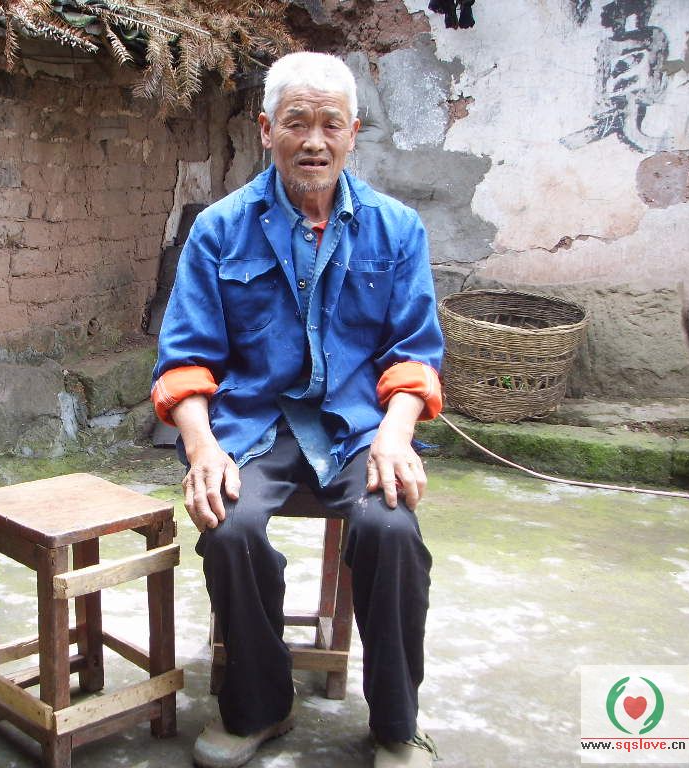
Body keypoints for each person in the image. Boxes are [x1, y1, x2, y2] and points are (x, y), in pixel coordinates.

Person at [151, 52, 444, 768]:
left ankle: (396, 725)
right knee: (229, 530)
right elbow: (184, 360)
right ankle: (259, 706)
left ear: (353, 134)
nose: (314, 141)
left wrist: (397, 435)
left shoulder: (396, 228)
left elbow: (414, 354)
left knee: (391, 531)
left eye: (330, 124)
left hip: (356, 429)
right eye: (296, 123)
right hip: (254, 426)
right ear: (266, 130)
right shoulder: (219, 229)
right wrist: (202, 448)